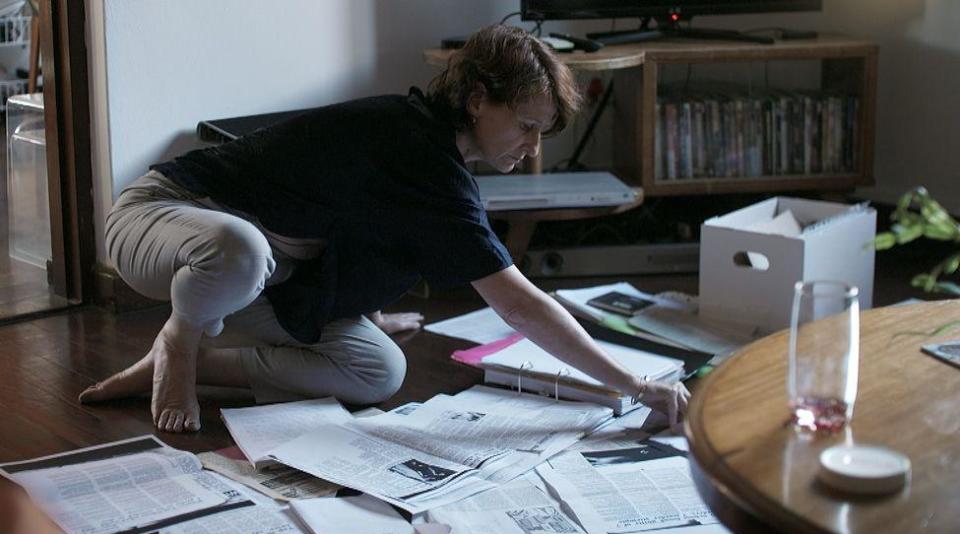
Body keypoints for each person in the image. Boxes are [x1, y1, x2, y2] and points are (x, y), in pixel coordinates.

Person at [78, 25, 689, 433]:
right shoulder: (413, 146)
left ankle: (184, 356)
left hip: (253, 281)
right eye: (527, 127)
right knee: (241, 248)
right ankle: (180, 348)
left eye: (542, 134)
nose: (532, 149)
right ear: (478, 98)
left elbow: (353, 226)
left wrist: (365, 312)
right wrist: (633, 385)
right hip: (156, 215)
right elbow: (520, 306)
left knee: (379, 372)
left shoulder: (432, 161)